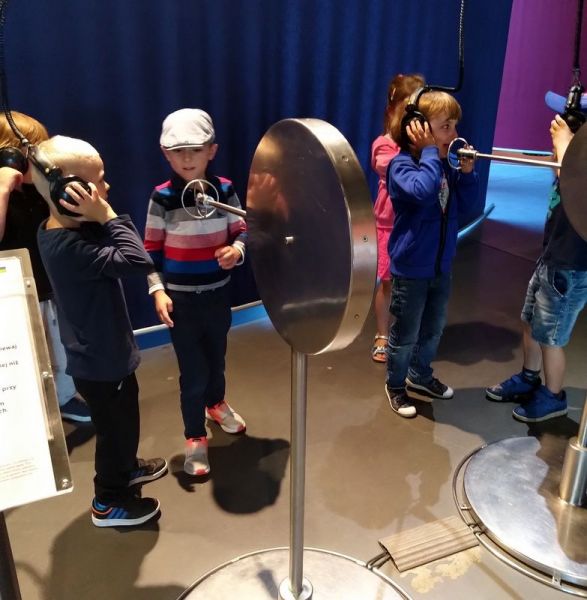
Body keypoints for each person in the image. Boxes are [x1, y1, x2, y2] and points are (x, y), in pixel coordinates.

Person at [33, 135, 167, 527]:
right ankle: (108, 501)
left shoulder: (66, 230)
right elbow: (138, 260)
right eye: (98, 182)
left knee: (125, 423)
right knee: (115, 432)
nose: (106, 188)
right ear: (69, 193)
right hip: (101, 363)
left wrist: (97, 217)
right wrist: (107, 214)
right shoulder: (69, 247)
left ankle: (125, 468)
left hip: (109, 355)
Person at [144, 108, 247, 476]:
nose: (187, 158)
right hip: (182, 302)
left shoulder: (225, 190)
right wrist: (158, 291)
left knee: (216, 359)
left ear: (212, 150)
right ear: (165, 153)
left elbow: (243, 229)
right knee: (193, 373)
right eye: (178, 151)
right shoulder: (162, 198)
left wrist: (236, 251)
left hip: (217, 296)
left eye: (196, 150)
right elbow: (150, 251)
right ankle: (194, 436)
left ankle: (215, 404)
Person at [486, 112, 586, 422]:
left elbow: (578, 185)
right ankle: (529, 378)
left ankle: (553, 396)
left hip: (570, 268)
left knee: (551, 338)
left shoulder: (577, 174)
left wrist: (566, 144)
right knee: (530, 322)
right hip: (551, 260)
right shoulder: (567, 166)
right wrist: (562, 147)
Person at [384, 90, 479, 417]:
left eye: (454, 126)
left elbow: (465, 206)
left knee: (434, 328)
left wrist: (466, 175)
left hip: (440, 267)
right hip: (411, 269)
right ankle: (396, 384)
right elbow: (423, 192)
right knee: (405, 334)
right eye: (446, 127)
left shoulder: (443, 166)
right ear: (417, 129)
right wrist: (428, 152)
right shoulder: (401, 166)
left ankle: (420, 374)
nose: (454, 134)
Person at [0, 112, 91, 423]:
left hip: (48, 285)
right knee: (26, 353)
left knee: (57, 349)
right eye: (30, 152)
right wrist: (3, 186)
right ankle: (27, 407)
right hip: (15, 292)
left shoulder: (37, 190)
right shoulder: (4, 193)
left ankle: (64, 397)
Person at [371, 73, 425, 362]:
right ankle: (382, 334)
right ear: (393, 110)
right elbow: (392, 170)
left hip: (415, 223)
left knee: (413, 284)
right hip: (389, 223)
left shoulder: (423, 146)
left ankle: (408, 335)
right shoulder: (384, 144)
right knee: (388, 282)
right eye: (408, 108)